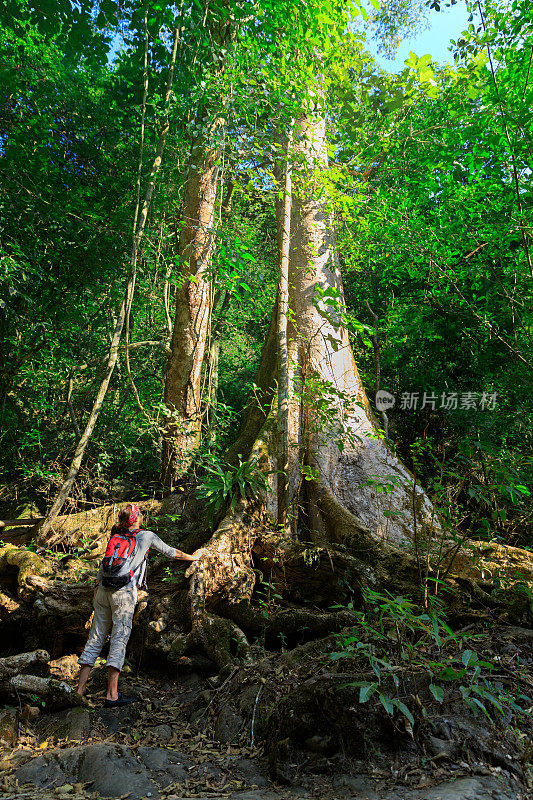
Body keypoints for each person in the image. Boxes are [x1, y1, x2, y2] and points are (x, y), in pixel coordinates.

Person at [76, 503, 200, 707]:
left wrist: (96, 588)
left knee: (95, 638)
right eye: (140, 514)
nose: (142, 516)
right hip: (123, 594)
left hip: (102, 592)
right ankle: (112, 695)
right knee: (119, 639)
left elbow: (104, 564)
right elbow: (171, 552)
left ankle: (79, 690)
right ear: (135, 519)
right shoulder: (146, 536)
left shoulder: (116, 536)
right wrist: (193, 557)